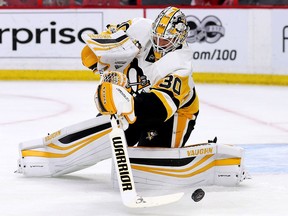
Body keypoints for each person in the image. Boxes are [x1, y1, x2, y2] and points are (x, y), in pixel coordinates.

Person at [17, 6, 199, 176]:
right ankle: (56, 157)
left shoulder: (180, 65)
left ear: (178, 40)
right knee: (101, 138)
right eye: (156, 37)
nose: (158, 42)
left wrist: (127, 105)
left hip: (174, 115)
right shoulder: (139, 27)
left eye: (165, 40)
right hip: (133, 100)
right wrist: (102, 57)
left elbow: (158, 109)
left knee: (145, 169)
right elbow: (109, 35)